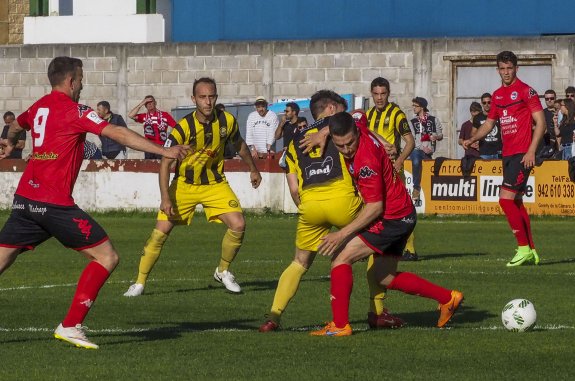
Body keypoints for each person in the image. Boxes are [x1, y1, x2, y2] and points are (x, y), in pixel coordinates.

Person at [0, 56, 189, 349]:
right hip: (53, 204)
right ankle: (71, 325)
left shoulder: (39, 106)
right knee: (107, 257)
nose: (83, 84)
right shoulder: (76, 111)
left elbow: (15, 127)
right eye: (81, 78)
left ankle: (71, 325)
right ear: (71, 81)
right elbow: (117, 132)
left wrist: (10, 144)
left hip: (26, 200)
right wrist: (164, 150)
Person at [259, 90, 404, 333]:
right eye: (340, 107)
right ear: (330, 109)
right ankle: (377, 311)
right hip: (344, 201)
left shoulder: (295, 138)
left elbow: (293, 186)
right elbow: (360, 128)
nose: (343, 112)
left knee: (299, 263)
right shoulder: (343, 127)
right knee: (376, 248)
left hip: (310, 205)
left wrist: (307, 208)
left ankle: (273, 316)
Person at [310, 112, 463, 336]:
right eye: (340, 145)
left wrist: (341, 234)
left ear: (356, 133)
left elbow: (375, 207)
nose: (346, 150)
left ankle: (340, 325)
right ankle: (447, 298)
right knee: (385, 277)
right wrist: (323, 133)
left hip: (390, 218)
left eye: (350, 143)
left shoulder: (366, 161)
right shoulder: (357, 126)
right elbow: (356, 115)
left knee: (341, 257)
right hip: (403, 214)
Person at [123, 77, 262, 297]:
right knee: (160, 232)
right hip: (184, 185)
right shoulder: (182, 127)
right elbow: (165, 163)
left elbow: (240, 144)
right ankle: (139, 282)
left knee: (238, 224)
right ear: (193, 99)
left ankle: (223, 271)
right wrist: (165, 198)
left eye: (211, 96)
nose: (207, 102)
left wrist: (253, 169)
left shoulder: (227, 121)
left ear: (216, 97)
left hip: (215, 184)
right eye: (202, 97)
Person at [463, 51, 546, 267]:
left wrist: (531, 151)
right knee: (516, 201)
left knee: (504, 199)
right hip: (507, 154)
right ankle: (531, 250)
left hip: (522, 154)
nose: (506, 72)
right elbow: (489, 124)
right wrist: (472, 139)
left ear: (516, 69)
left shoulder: (526, 91)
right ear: (498, 70)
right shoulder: (498, 95)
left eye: (510, 68)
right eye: (502, 68)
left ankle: (523, 248)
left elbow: (541, 122)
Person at [366, 78, 418, 260]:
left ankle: (410, 249)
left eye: (383, 93)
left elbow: (410, 142)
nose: (379, 98)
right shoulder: (368, 115)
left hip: (392, 168)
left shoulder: (397, 114)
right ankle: (371, 246)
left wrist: (399, 161)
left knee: (400, 208)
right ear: (371, 94)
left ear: (388, 93)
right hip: (373, 170)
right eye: (376, 94)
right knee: (371, 208)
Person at [409, 97, 443, 205]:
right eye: (413, 105)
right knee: (415, 161)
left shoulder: (434, 120)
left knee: (428, 172)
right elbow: (412, 139)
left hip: (429, 152)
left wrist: (436, 137)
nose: (413, 108)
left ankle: (429, 198)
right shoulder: (412, 122)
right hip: (417, 150)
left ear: (422, 107)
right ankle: (416, 188)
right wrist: (422, 147)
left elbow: (441, 134)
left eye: (415, 106)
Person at [128, 95, 177, 159]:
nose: (149, 104)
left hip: (162, 147)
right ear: (145, 106)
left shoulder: (165, 115)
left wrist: (172, 142)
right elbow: (130, 115)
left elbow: (176, 127)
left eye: (151, 102)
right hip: (148, 147)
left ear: (155, 103)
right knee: (149, 167)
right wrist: (141, 104)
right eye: (147, 103)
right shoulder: (144, 116)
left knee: (161, 166)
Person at [275, 102, 306, 168]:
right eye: (285, 111)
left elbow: (304, 137)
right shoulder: (286, 125)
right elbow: (277, 137)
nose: (285, 113)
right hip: (287, 155)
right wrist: (281, 124)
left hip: (298, 155)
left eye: (287, 111)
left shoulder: (301, 123)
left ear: (294, 112)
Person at [472, 93, 502, 160]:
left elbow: (503, 131)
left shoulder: (498, 115)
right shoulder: (477, 117)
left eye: (489, 102)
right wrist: (474, 142)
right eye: (484, 103)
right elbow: (473, 133)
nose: (487, 105)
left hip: (498, 151)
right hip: (484, 152)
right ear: (481, 103)